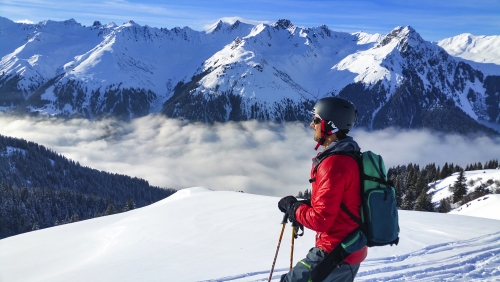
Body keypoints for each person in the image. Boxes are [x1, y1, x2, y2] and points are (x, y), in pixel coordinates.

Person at [278, 97, 367, 282]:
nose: (312, 124)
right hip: (351, 248)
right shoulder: (351, 156)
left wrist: (293, 208)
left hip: (335, 251)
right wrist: (306, 206)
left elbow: (321, 220)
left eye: (317, 120)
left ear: (330, 125)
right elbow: (342, 202)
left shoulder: (334, 163)